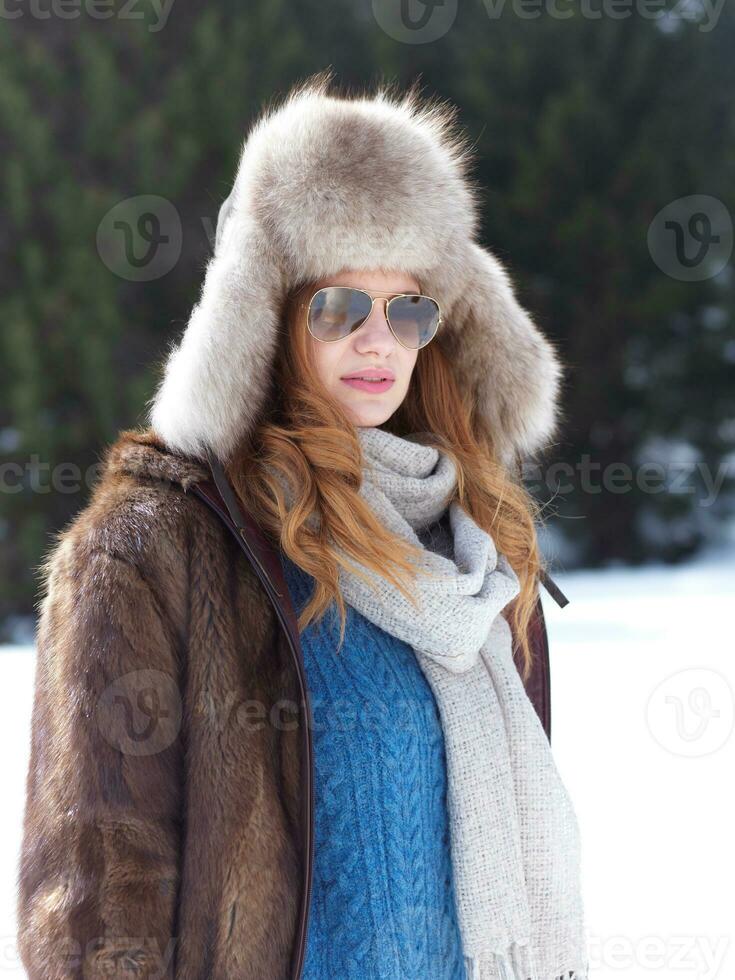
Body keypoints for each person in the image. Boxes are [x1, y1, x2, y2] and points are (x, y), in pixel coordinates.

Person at [16, 70, 589, 979]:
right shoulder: (157, 548)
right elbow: (97, 884)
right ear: (265, 316)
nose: (378, 340)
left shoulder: (470, 551)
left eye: (408, 309)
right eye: (337, 307)